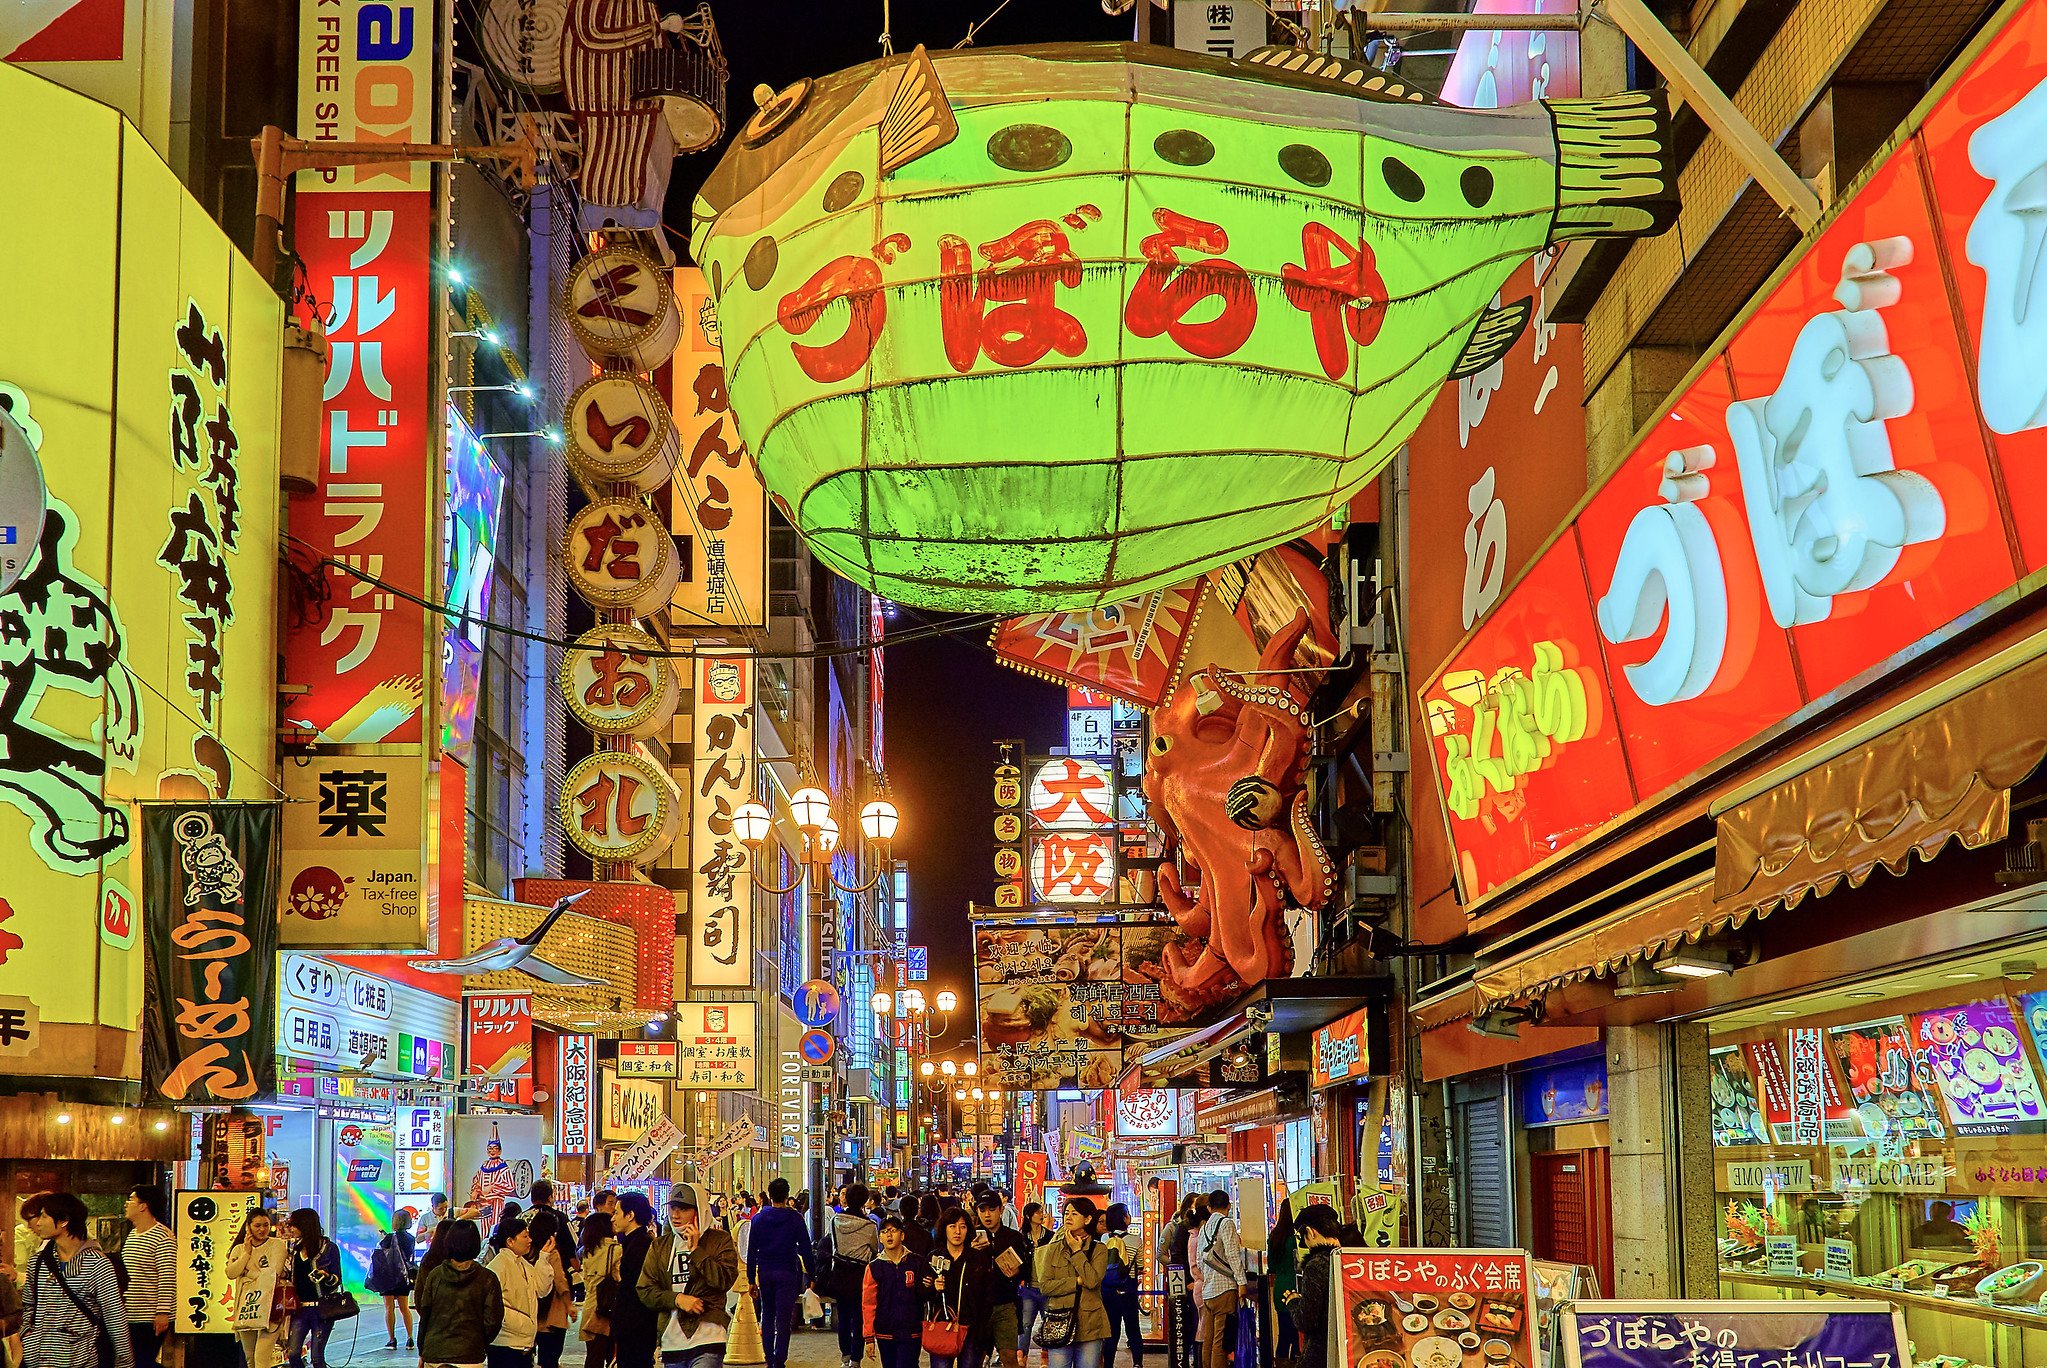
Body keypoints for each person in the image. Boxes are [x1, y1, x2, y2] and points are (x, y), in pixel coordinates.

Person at [22, 1192, 131, 1368]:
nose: (38, 1223)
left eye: (43, 1216)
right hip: (38, 1358)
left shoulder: (97, 1265)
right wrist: (27, 1335)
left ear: (64, 1221)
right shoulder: (38, 1262)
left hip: (79, 1358)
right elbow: (29, 1304)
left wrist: (125, 1363)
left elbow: (115, 1318)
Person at [635, 1186, 736, 1368]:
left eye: (683, 1209)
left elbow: (724, 1279)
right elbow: (645, 1289)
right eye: (673, 1208)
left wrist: (696, 1251)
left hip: (709, 1336)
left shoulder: (719, 1240)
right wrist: (677, 1299)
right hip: (672, 1340)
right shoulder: (660, 1246)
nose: (676, 1215)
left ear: (699, 1210)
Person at [744, 1179, 813, 1368]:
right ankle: (780, 1360)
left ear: (770, 1195)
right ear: (787, 1195)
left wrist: (751, 1279)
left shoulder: (758, 1219)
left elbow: (751, 1251)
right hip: (788, 1272)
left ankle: (768, 1358)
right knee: (783, 1318)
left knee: (767, 1315)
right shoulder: (795, 1218)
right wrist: (812, 1276)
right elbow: (806, 1248)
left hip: (765, 1272)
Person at [416, 1220, 503, 1368]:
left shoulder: (435, 1275)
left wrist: (423, 1349)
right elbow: (493, 1320)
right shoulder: (487, 1278)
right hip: (469, 1355)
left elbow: (425, 1314)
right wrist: (478, 1341)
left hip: (434, 1353)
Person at [1031, 1199, 1108, 1368]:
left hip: (1090, 1323)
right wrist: (1076, 1281)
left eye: (1074, 1214)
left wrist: (1077, 1251)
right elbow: (1045, 1286)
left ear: (1087, 1219)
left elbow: (1093, 1281)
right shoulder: (1052, 1249)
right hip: (1059, 1320)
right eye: (1066, 1213)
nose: (1069, 1217)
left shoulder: (1099, 1249)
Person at [485, 1215, 558, 1368]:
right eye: (525, 1236)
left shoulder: (522, 1263)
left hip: (524, 1342)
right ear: (510, 1241)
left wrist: (544, 1258)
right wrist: (520, 1323)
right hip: (505, 1344)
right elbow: (491, 1307)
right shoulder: (498, 1266)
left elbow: (541, 1289)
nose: (529, 1240)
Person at [924, 1209, 989, 1368]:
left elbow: (987, 1297)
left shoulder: (977, 1259)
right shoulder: (934, 1258)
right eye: (952, 1226)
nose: (957, 1232)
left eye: (963, 1226)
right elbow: (921, 1294)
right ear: (944, 1228)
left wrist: (983, 1331)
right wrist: (933, 1288)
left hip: (971, 1331)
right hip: (942, 1328)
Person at [971, 1193, 1029, 1368]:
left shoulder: (1014, 1237)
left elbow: (1026, 1270)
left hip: (1005, 1304)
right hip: (977, 1306)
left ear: (1001, 1210)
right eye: (982, 1210)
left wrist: (1017, 1272)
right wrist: (971, 1252)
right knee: (975, 1357)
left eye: (992, 1209)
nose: (987, 1215)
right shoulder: (971, 1238)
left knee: (1009, 1356)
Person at [225, 1207, 289, 1368]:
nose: (262, 1229)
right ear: (248, 1226)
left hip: (271, 1307)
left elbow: (273, 1274)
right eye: (257, 1225)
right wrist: (246, 1254)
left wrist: (249, 1273)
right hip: (247, 1306)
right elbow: (231, 1273)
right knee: (250, 1359)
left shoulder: (277, 1245)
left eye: (266, 1225)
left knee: (261, 1358)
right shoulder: (239, 1249)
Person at [823, 1185, 878, 1368]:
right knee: (859, 1318)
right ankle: (856, 1359)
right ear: (864, 1201)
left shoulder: (836, 1220)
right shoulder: (870, 1226)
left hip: (840, 1273)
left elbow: (833, 1247)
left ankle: (845, 1358)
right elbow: (874, 1250)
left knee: (843, 1318)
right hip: (861, 1276)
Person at [120, 1186, 173, 1368]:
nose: (126, 1204)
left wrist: (162, 1312)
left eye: (131, 1199)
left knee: (143, 1361)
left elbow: (167, 1276)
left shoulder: (163, 1236)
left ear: (143, 1206)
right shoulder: (133, 1235)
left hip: (149, 1315)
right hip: (130, 1312)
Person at [861, 1219, 925, 1368]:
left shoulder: (916, 1263)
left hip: (912, 1330)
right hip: (885, 1332)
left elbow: (924, 1294)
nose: (889, 1235)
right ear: (880, 1238)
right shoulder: (874, 1268)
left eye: (893, 1230)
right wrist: (869, 1337)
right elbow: (868, 1304)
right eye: (884, 1232)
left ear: (902, 1235)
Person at [522, 1194, 575, 1368]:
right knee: (549, 1360)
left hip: (530, 1314)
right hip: (551, 1315)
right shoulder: (551, 1252)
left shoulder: (525, 1252)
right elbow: (560, 1281)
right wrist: (569, 1305)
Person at [283, 1209, 341, 1368]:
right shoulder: (295, 1248)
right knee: (293, 1353)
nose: (291, 1229)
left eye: (293, 1225)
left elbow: (337, 1280)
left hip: (322, 1310)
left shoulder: (329, 1248)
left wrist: (327, 1276)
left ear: (305, 1225)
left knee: (317, 1356)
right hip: (300, 1309)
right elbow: (291, 1275)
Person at [1193, 1193, 1245, 1368]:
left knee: (1208, 1339)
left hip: (1208, 1292)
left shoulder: (1204, 1228)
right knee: (1220, 1343)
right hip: (1224, 1289)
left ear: (1209, 1208)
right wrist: (1242, 1283)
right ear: (1229, 1206)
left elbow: (1200, 1260)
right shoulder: (1226, 1223)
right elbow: (1233, 1255)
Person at [1289, 1206, 1342, 1368]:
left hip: (1322, 1353)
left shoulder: (1317, 1264)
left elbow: (1306, 1321)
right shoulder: (1352, 1259)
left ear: (1310, 1232)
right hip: (1351, 1350)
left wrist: (1293, 1302)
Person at [611, 1195, 660, 1368]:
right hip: (633, 1326)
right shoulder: (634, 1242)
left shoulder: (640, 1246)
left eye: (617, 1212)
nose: (613, 1217)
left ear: (630, 1215)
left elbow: (638, 1290)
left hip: (636, 1327)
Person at [368, 1208, 419, 1350]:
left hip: (388, 1276)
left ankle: (392, 1339)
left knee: (389, 1308)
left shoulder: (390, 1237)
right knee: (405, 1308)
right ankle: (410, 1338)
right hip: (403, 1276)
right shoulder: (411, 1238)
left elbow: (382, 1251)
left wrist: (383, 1237)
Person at [1101, 1204, 1143, 1368]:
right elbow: (1139, 1266)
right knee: (1133, 1329)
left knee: (1111, 1331)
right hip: (1128, 1289)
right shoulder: (1135, 1240)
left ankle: (1108, 1364)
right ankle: (1137, 1364)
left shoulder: (1104, 1239)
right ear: (1124, 1218)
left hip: (1108, 1290)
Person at [577, 1214, 620, 1368]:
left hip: (591, 1308)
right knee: (612, 1357)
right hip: (607, 1310)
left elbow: (587, 1283)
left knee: (593, 1357)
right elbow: (620, 1278)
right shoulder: (616, 1250)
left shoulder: (588, 1252)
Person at [1164, 1197, 1203, 1368]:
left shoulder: (1203, 1229)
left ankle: (1198, 1360)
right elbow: (1174, 1256)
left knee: (1199, 1326)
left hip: (1200, 1285)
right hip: (1190, 1285)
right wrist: (1186, 1281)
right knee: (1191, 1325)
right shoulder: (1182, 1229)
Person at [1016, 1203, 1053, 1356]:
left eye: (1042, 1212)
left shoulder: (1050, 1236)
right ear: (1029, 1216)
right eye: (1038, 1212)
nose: (1041, 1215)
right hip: (1028, 1287)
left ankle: (1046, 1356)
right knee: (1025, 1324)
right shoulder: (1021, 1237)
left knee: (1048, 1324)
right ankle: (1021, 1356)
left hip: (1047, 1287)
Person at [470, 1126, 519, 1229]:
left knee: (495, 1227)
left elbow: (510, 1186)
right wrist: (475, 1190)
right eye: (490, 1148)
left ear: (500, 1151)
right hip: (482, 1203)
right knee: (483, 1229)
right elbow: (477, 1180)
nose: (492, 1151)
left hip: (496, 1203)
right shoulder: (484, 1165)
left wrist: (493, 1187)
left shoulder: (503, 1167)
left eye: (495, 1148)